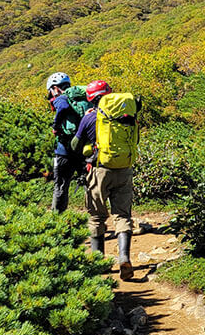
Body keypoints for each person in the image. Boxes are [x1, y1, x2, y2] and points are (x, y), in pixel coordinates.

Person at [72, 80, 139, 281]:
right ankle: (124, 258)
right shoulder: (126, 115)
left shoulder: (90, 117)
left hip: (99, 170)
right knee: (123, 215)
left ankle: (98, 262)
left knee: (96, 216)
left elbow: (75, 144)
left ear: (91, 99)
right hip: (124, 169)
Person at [45, 72, 85, 213]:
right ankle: (96, 221)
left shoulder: (60, 98)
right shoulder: (78, 99)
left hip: (64, 151)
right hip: (82, 149)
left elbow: (62, 108)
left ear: (54, 88)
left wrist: (55, 126)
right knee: (89, 184)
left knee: (61, 185)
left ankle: (57, 219)